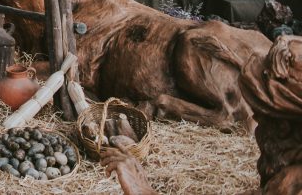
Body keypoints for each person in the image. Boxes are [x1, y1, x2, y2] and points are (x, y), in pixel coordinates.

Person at [100, 34, 302, 195]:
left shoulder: (292, 184)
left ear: (287, 127)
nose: (256, 122)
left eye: (265, 117)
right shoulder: (285, 175)